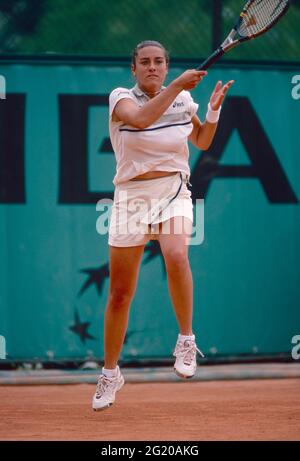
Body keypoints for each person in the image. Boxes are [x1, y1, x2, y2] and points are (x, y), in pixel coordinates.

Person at [92, 40, 234, 411]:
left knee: (176, 255)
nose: (153, 67)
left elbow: (201, 140)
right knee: (120, 294)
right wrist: (178, 88)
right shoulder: (120, 97)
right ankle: (110, 373)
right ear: (134, 69)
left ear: (167, 66)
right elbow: (139, 120)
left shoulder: (184, 101)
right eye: (145, 62)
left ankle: (186, 339)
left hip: (173, 189)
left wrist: (213, 112)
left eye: (159, 62)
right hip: (130, 198)